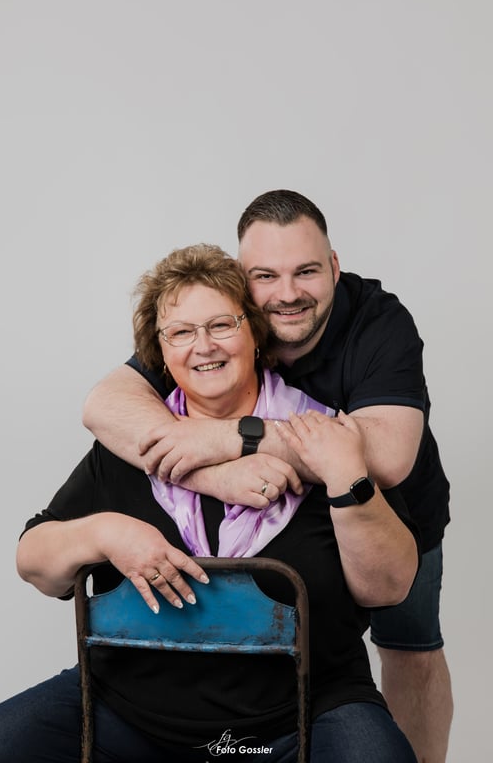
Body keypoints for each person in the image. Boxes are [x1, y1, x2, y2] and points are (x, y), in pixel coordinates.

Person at [0, 245, 419, 763]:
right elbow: (34, 563)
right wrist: (107, 532)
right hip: (127, 713)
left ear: (256, 334)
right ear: (159, 351)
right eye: (181, 333)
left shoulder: (321, 439)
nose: (203, 346)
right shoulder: (130, 446)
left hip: (301, 716)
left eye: (221, 325)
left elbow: (388, 586)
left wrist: (346, 477)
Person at [82, 191, 453, 763]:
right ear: (242, 277)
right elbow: (105, 405)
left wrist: (229, 436)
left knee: (411, 648)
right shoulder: (221, 321)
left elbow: (386, 454)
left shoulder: (380, 322)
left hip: (391, 508)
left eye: (306, 271)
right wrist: (213, 477)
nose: (287, 293)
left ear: (334, 266)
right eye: (265, 276)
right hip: (281, 523)